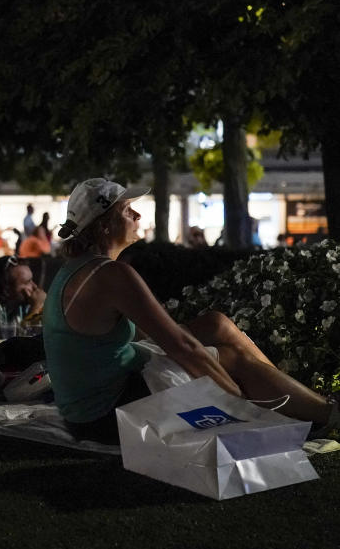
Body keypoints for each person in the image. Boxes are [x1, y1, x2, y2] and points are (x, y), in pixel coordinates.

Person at [44, 178, 340, 444]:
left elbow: (153, 333)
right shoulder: (110, 275)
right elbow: (183, 347)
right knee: (231, 358)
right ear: (104, 226)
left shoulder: (78, 268)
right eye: (127, 211)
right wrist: (236, 400)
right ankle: (327, 414)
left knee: (216, 324)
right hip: (105, 416)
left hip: (89, 406)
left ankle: (293, 401)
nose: (137, 216)